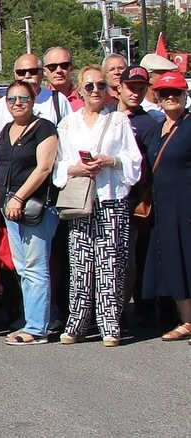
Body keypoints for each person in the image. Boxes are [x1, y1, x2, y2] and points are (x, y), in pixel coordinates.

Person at [53, 65, 142, 347]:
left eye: (100, 86)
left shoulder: (117, 121)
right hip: (81, 199)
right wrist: (77, 168)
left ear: (108, 90)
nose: (95, 91)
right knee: (80, 264)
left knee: (111, 264)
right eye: (89, 86)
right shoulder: (68, 124)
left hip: (111, 198)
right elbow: (59, 166)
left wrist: (110, 161)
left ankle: (110, 325)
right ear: (80, 90)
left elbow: (133, 160)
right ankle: (76, 323)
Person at [0, 81, 60, 345]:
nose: (17, 103)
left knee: (35, 267)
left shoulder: (44, 129)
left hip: (36, 206)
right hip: (9, 208)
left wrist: (19, 197)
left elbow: (44, 168)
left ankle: (36, 328)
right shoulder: (6, 130)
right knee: (22, 268)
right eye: (11, 99)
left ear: (33, 100)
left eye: (23, 98)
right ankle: (32, 320)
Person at [141, 72, 191, 342]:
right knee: (175, 261)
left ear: (185, 96)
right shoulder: (155, 128)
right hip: (164, 208)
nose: (170, 97)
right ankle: (187, 320)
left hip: (187, 205)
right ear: (157, 98)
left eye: (176, 93)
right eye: (164, 93)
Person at [111, 66, 161, 322]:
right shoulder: (106, 115)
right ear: (119, 87)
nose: (136, 93)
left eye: (141, 88)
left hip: (131, 200)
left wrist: (143, 197)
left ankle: (118, 310)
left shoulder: (149, 124)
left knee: (126, 258)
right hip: (103, 196)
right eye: (131, 87)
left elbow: (150, 168)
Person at [0, 54, 72, 142]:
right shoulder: (3, 103)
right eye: (21, 72)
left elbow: (70, 135)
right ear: (15, 75)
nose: (27, 76)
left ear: (42, 73)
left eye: (33, 71)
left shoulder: (58, 99)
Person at [139, 54, 179, 120]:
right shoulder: (138, 105)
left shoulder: (176, 103)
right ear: (149, 78)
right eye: (163, 76)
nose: (168, 79)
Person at [43, 46, 84, 111]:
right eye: (52, 67)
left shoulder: (85, 98)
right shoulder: (38, 101)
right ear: (44, 71)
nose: (59, 70)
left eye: (64, 65)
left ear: (71, 68)